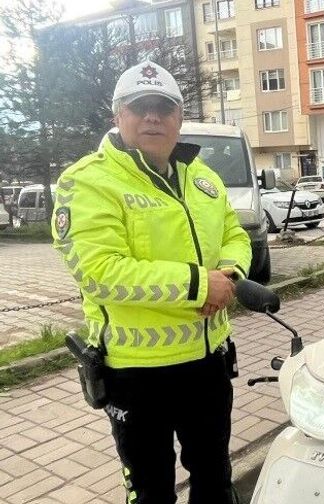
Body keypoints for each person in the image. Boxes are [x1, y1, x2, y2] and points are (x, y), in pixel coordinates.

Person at [51, 61, 250, 504]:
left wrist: (232, 274)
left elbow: (235, 235)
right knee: (151, 492)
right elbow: (99, 272)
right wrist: (201, 286)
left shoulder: (204, 178)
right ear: (118, 115)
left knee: (215, 481)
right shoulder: (87, 181)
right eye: (140, 107)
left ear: (180, 117)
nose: (153, 117)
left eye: (164, 107)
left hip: (208, 363)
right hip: (136, 375)